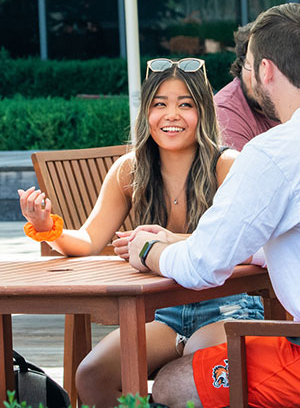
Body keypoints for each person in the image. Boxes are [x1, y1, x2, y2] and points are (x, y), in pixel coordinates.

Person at [125, 3, 300, 408]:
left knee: (174, 384)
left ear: (265, 70)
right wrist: (181, 241)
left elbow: (202, 267)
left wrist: (149, 250)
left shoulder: (274, 151)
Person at [16, 58, 260, 408]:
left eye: (185, 104)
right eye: (160, 104)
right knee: (91, 375)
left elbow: (249, 245)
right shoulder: (130, 170)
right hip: (167, 313)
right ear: (146, 111)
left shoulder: (227, 166)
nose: (171, 115)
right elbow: (87, 241)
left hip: (228, 308)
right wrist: (46, 229)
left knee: (191, 366)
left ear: (203, 111)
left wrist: (163, 241)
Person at [214, 22, 280, 149]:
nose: (260, 77)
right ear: (241, 63)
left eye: (266, 66)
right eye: (251, 64)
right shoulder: (224, 112)